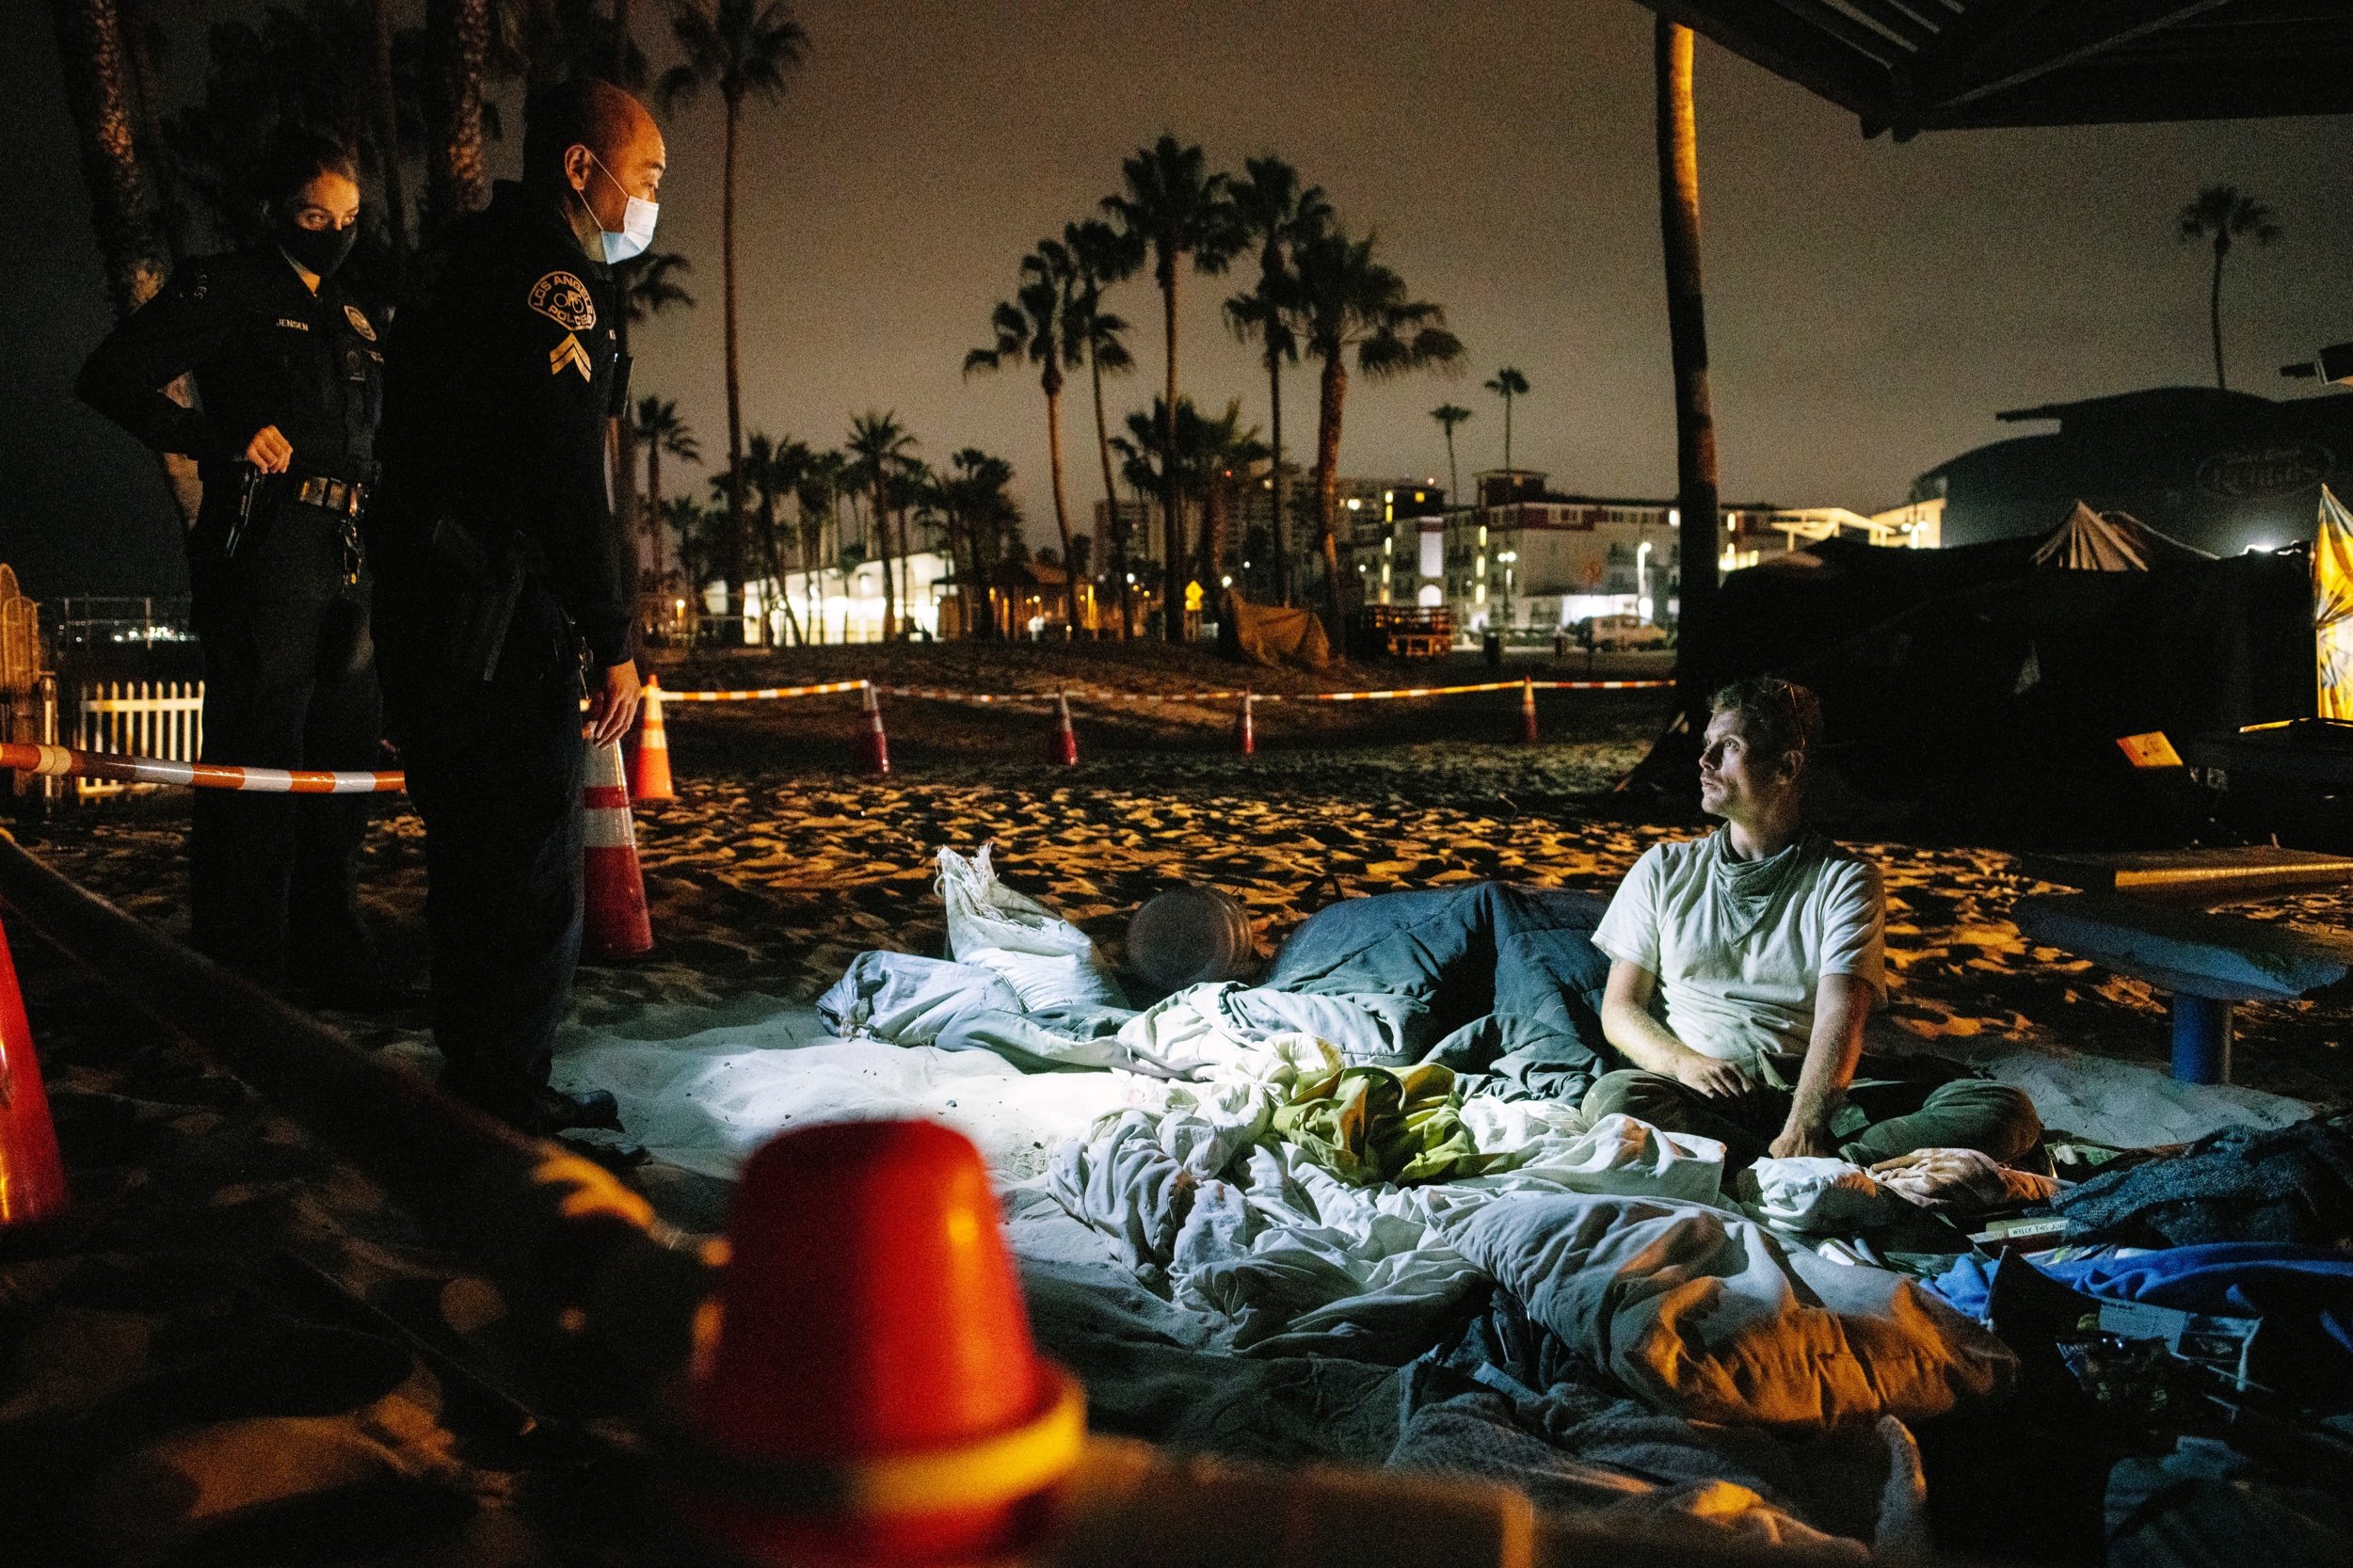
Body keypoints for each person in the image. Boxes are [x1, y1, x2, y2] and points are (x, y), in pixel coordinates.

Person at [370, 79, 654, 1136]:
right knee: (528, 862)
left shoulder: (455, 257)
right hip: (498, 615)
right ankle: (508, 1089)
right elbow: (565, 476)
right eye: (650, 177)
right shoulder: (554, 285)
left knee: (465, 858)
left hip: (421, 601)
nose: (649, 200)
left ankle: (478, 1072)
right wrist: (608, 633)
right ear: (582, 167)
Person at [78, 128, 392, 1004]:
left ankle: (334, 955)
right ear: (275, 212)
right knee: (259, 759)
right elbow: (108, 376)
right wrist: (215, 441)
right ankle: (242, 965)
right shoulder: (229, 288)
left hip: (350, 554)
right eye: (314, 214)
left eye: (350, 216)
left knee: (341, 764)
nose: (334, 230)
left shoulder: (354, 315)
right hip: (267, 546)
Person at [1580, 677, 2041, 1172]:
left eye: (1728, 746)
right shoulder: (1664, 869)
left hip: (1817, 1092)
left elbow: (1839, 1019)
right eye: (1707, 745)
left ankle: (1784, 1168)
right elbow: (1621, 1009)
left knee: (2002, 1110)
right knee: (1616, 1098)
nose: (1705, 761)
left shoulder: (1844, 879)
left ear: (1787, 766)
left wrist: (1805, 1125)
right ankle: (1820, 1174)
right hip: (1705, 1092)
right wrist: (1682, 1063)